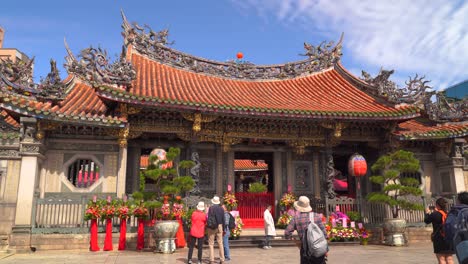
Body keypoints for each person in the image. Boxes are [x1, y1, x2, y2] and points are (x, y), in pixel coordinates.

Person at [284, 196, 327, 264]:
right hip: (319, 251)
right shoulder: (317, 216)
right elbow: (325, 234)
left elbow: (287, 233)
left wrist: (296, 241)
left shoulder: (296, 218)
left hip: (305, 252)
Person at [424, 198, 454, 264]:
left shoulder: (435, 214)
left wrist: (427, 213)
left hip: (439, 238)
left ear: (437, 205)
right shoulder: (449, 214)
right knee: (449, 258)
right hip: (449, 238)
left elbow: (426, 221)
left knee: (441, 259)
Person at [445, 191, 468, 264]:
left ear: (459, 201)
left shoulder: (454, 212)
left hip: (460, 242)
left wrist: (450, 241)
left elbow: (448, 226)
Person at [207, 196, 225, 264]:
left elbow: (209, 218)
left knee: (211, 243)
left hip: (212, 226)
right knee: (220, 243)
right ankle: (222, 259)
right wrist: (224, 228)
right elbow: (223, 219)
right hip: (220, 225)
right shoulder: (221, 208)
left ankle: (211, 260)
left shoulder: (211, 208)